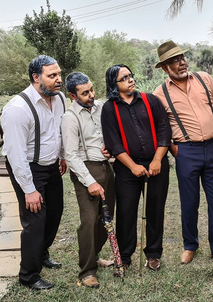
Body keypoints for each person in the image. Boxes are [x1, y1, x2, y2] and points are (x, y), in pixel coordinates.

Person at [153, 40, 213, 268]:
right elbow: (159, 128)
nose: (181, 63)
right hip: (186, 152)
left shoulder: (204, 79)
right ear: (164, 67)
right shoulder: (159, 94)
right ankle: (190, 246)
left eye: (181, 58)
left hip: (212, 147)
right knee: (189, 203)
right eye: (174, 61)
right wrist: (174, 148)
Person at [1, 55, 67, 290]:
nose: (59, 79)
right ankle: (28, 275)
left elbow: (57, 131)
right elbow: (15, 155)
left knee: (55, 213)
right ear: (35, 78)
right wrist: (29, 190)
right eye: (52, 76)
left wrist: (61, 156)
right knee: (35, 220)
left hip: (50, 166)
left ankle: (41, 253)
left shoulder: (58, 98)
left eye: (59, 74)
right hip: (26, 167)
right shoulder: (17, 109)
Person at [102, 64, 171, 274]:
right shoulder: (109, 108)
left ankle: (153, 255)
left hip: (156, 165)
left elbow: (164, 130)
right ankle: (124, 256)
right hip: (126, 169)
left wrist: (157, 160)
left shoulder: (150, 100)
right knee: (126, 211)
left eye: (130, 76)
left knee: (155, 210)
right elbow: (113, 142)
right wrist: (132, 166)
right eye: (124, 78)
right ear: (114, 84)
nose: (130, 80)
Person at [61, 72, 116, 288]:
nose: (91, 95)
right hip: (86, 170)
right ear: (73, 96)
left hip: (107, 168)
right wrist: (90, 182)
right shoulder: (69, 118)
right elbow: (71, 155)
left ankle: (95, 257)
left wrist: (110, 148)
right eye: (85, 93)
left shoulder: (101, 107)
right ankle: (87, 271)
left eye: (91, 89)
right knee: (89, 220)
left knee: (106, 217)